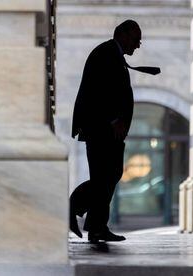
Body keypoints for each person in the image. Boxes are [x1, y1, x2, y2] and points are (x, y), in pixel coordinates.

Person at [69, 20, 159, 243]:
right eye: (136, 39)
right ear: (123, 35)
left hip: (105, 130)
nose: (138, 45)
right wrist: (113, 120)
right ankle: (74, 208)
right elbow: (98, 93)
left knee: (108, 176)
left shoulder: (110, 53)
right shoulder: (106, 53)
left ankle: (97, 226)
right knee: (106, 177)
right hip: (102, 130)